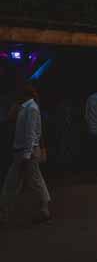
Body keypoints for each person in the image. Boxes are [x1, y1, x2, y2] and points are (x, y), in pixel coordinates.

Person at [1, 85, 52, 225]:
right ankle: (43, 208)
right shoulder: (27, 108)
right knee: (33, 180)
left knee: (23, 182)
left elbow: (31, 134)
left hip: (25, 151)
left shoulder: (31, 109)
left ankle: (43, 208)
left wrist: (26, 154)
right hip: (24, 151)